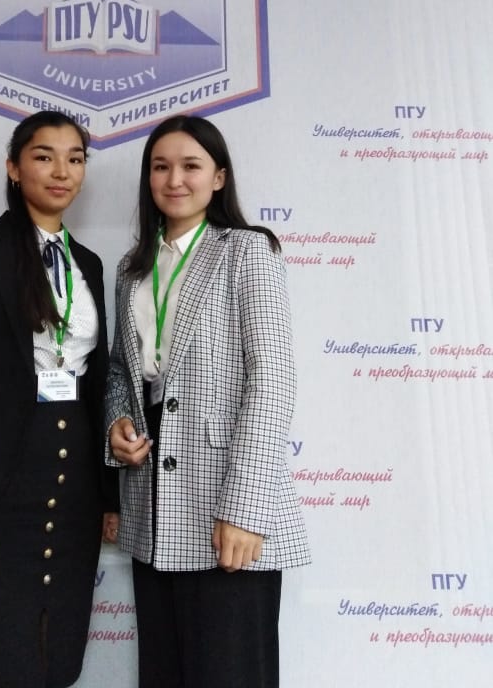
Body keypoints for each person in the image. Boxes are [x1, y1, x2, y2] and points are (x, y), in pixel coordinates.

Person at [105, 114, 310, 688]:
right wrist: (117, 420)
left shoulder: (247, 250)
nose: (174, 180)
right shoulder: (131, 268)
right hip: (152, 511)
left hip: (224, 502)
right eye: (160, 167)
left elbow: (272, 377)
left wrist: (244, 508)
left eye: (191, 166)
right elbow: (121, 370)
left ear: (218, 177)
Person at [0, 110, 118, 688]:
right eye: (43, 156)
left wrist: (109, 496)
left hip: (74, 490)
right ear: (13, 167)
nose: (62, 171)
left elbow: (97, 386)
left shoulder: (89, 264)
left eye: (75, 159)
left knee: (55, 659)